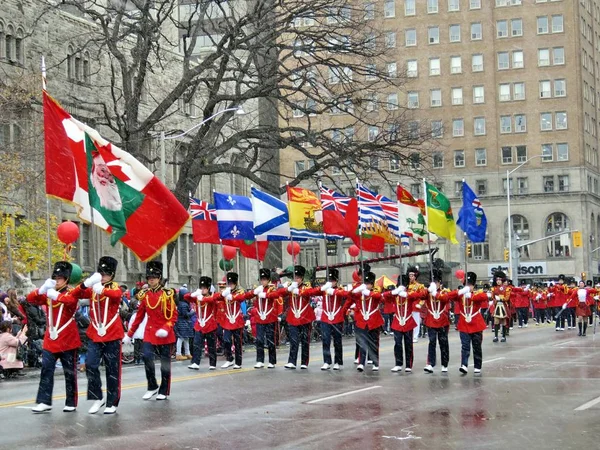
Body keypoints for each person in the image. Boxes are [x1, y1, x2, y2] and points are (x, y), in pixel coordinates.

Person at [71, 256, 124, 414]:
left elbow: (116, 295)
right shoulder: (93, 288)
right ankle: (97, 397)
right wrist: (85, 283)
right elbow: (75, 294)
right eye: (101, 272)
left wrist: (103, 289)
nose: (103, 276)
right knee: (91, 364)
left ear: (112, 275)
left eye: (106, 273)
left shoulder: (114, 287)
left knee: (112, 369)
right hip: (95, 334)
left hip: (112, 333)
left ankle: (112, 401)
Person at [27, 261, 81, 413]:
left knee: (69, 373)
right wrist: (42, 289)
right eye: (55, 277)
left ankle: (71, 401)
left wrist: (56, 295)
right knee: (46, 369)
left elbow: (71, 302)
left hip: (68, 340)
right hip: (51, 340)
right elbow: (30, 300)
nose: (56, 280)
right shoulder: (49, 293)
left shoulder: (70, 292)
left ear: (66, 279)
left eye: (60, 278)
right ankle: (44, 401)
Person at [124, 261, 178, 401]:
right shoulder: (145, 295)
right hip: (149, 332)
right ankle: (152, 385)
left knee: (165, 364)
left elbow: (173, 315)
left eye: (154, 277)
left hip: (165, 333)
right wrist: (129, 334)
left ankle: (164, 390)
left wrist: (166, 328)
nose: (151, 279)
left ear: (159, 278)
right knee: (146, 356)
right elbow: (139, 316)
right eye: (149, 277)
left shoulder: (167, 294)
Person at [447, 272, 490, 375]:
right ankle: (464, 365)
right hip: (464, 323)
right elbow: (449, 296)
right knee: (465, 346)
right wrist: (460, 291)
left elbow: (483, 297)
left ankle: (477, 366)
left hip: (475, 323)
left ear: (473, 285)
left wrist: (470, 296)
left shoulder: (477, 294)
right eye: (467, 284)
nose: (468, 286)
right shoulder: (461, 294)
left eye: (470, 285)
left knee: (477, 346)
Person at [344, 271, 384, 372]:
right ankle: (361, 362)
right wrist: (355, 290)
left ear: (372, 284)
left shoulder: (375, 291)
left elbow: (381, 298)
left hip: (374, 320)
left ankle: (375, 362)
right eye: (365, 283)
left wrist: (368, 293)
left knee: (374, 343)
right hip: (362, 320)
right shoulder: (360, 293)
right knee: (362, 342)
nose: (366, 285)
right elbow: (349, 296)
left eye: (368, 284)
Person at [383, 275, 423, 373]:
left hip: (408, 321)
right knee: (398, 344)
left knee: (408, 344)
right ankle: (398, 364)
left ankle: (408, 365)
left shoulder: (409, 293)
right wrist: (394, 291)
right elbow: (384, 296)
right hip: (397, 322)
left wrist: (406, 294)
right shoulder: (395, 295)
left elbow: (419, 295)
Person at [284, 265, 320, 369]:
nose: (296, 279)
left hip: (305, 317)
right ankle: (292, 361)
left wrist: (299, 291)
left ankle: (304, 362)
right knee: (293, 340)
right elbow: (280, 293)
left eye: (298, 278)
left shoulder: (306, 286)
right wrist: (289, 289)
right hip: (293, 317)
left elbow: (312, 292)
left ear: (302, 278)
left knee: (305, 341)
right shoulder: (290, 286)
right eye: (295, 277)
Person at [252, 268, 286, 369]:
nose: (263, 281)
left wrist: (265, 295)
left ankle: (272, 361)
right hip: (260, 318)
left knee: (271, 340)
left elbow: (277, 295)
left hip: (270, 318)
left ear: (268, 280)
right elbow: (250, 297)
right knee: (259, 340)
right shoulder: (258, 289)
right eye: (261, 279)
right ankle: (260, 360)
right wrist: (255, 292)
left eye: (265, 279)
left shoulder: (272, 288)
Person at [218, 272, 251, 369]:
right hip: (228, 320)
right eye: (229, 283)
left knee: (237, 342)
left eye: (232, 283)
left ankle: (238, 362)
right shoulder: (225, 291)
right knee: (226, 340)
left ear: (235, 284)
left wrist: (232, 297)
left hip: (237, 320)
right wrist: (224, 294)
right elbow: (217, 298)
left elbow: (242, 297)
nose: (230, 285)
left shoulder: (239, 291)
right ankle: (229, 359)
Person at [319, 268, 350, 370]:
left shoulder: (339, 290)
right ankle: (327, 361)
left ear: (336, 281)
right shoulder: (324, 289)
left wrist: (335, 292)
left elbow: (348, 295)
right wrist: (324, 288)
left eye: (333, 280)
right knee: (326, 340)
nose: (331, 282)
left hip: (337, 318)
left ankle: (338, 361)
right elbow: (312, 292)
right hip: (325, 318)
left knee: (337, 341)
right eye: (329, 280)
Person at [186, 276, 219, 370]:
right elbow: (186, 297)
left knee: (211, 346)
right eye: (201, 287)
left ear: (208, 288)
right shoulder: (197, 297)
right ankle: (196, 362)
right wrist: (194, 294)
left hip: (210, 325)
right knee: (196, 344)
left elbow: (213, 299)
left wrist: (203, 299)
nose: (203, 289)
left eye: (204, 288)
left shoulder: (212, 296)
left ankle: (212, 364)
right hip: (199, 325)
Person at [423, 269, 450, 374]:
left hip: (442, 321)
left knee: (443, 343)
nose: (435, 284)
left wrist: (436, 293)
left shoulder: (444, 292)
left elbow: (445, 299)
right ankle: (430, 363)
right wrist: (429, 290)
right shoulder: (428, 292)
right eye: (433, 281)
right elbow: (420, 296)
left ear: (440, 283)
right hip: (431, 321)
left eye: (436, 282)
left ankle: (444, 364)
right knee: (432, 342)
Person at [406, 267, 427, 343]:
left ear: (415, 276)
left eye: (412, 276)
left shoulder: (419, 286)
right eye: (409, 275)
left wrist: (420, 304)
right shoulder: (406, 285)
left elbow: (423, 296)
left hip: (415, 306)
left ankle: (415, 336)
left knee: (416, 321)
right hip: (407, 306)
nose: (410, 277)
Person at [490, 271, 510, 343]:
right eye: (497, 280)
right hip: (496, 306)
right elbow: (492, 296)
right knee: (496, 321)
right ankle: (496, 336)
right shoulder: (493, 288)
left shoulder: (506, 288)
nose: (498, 281)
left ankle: (503, 336)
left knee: (504, 321)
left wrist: (501, 298)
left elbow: (507, 297)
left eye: (499, 279)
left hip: (503, 305)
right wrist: (493, 298)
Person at [174, 290, 194, 361]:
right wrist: (192, 312)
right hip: (183, 322)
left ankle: (187, 352)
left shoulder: (181, 303)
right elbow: (185, 314)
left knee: (186, 338)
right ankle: (178, 354)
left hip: (182, 322)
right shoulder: (184, 304)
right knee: (181, 338)